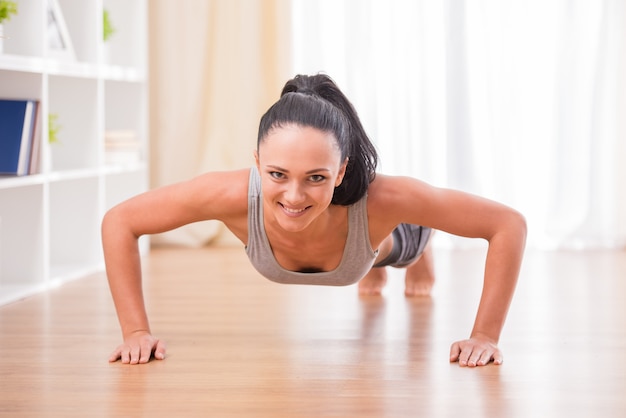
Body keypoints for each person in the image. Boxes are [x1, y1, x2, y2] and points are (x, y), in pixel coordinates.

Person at [102, 74, 526, 367]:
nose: (293, 196)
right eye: (277, 175)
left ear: (340, 172)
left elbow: (507, 225)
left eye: (316, 178)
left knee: (394, 249)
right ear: (257, 163)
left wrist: (484, 337)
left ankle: (412, 254)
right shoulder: (228, 194)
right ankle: (370, 266)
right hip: (347, 236)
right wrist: (135, 331)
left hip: (385, 235)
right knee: (365, 255)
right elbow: (120, 221)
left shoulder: (385, 197)